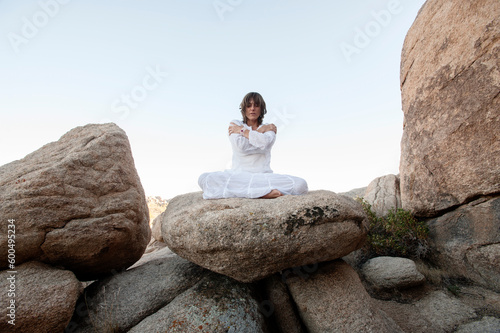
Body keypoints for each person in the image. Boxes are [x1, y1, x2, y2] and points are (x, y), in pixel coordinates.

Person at [198, 92, 308, 199]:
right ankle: (262, 193)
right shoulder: (236, 124)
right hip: (238, 176)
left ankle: (255, 192)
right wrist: (255, 133)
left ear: (262, 109)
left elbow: (264, 143)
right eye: (249, 105)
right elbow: (242, 147)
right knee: (204, 179)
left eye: (256, 105)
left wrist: (243, 132)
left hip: (263, 177)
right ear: (244, 108)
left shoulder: (269, 127)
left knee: (300, 185)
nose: (252, 108)